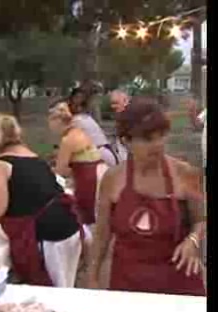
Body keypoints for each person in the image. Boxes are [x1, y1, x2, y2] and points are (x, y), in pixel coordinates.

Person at [88, 99, 205, 295]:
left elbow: (201, 220)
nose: (157, 145)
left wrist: (192, 241)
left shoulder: (185, 173)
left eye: (161, 136)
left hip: (178, 282)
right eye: (147, 139)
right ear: (126, 141)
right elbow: (102, 233)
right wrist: (92, 277)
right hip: (128, 282)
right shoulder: (113, 179)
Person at [0, 114, 84, 287]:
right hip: (68, 225)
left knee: (54, 290)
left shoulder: (0, 166)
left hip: (49, 233)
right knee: (66, 284)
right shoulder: (34, 158)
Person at [48, 102, 107, 226]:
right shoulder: (80, 132)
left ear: (57, 122)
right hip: (99, 170)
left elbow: (61, 170)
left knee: (86, 215)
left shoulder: (68, 140)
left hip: (88, 177)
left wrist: (47, 171)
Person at [68, 88, 121, 166]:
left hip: (98, 156)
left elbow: (70, 149)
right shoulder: (86, 118)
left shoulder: (77, 120)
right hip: (107, 153)